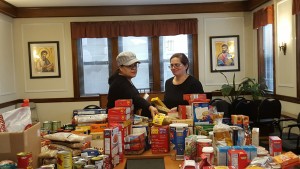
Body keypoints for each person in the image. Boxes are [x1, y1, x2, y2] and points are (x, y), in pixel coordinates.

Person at [107, 51, 159, 118]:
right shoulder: (119, 82)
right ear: (120, 67)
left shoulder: (125, 78)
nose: (134, 68)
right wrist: (150, 107)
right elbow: (135, 98)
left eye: (135, 65)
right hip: (116, 121)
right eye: (129, 66)